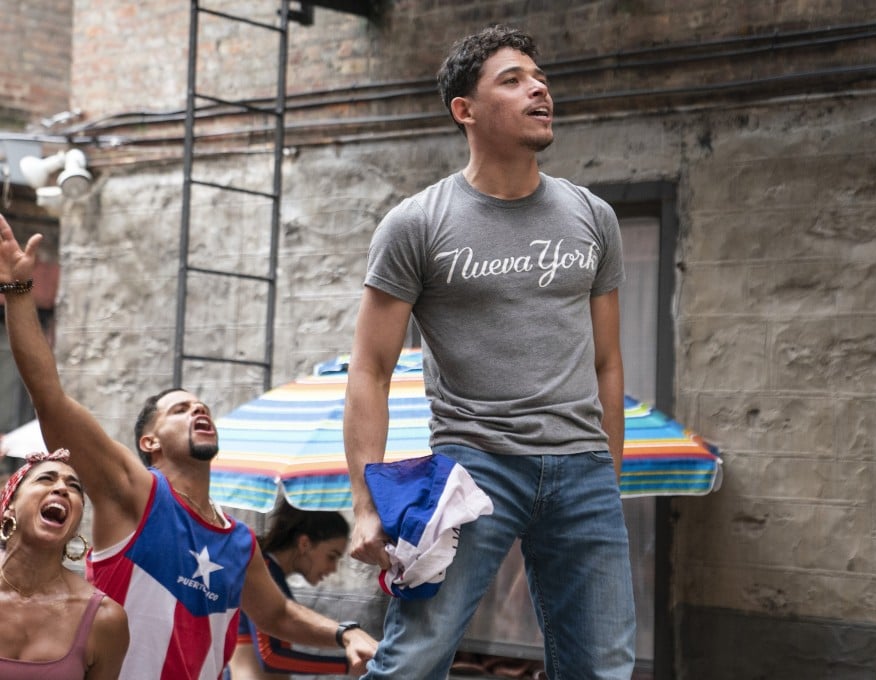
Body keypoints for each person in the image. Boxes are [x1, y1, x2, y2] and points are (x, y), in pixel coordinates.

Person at [343, 24, 637, 680]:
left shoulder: (593, 216)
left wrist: (606, 478)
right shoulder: (417, 224)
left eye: (541, 79)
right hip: (474, 468)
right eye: (513, 79)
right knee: (413, 661)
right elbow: (370, 369)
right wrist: (365, 503)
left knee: (603, 669)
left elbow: (608, 362)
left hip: (581, 469)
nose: (538, 88)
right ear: (465, 110)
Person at [0, 212, 378, 680]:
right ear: (149, 441)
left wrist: (345, 633)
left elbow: (278, 616)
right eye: (179, 409)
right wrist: (18, 293)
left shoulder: (239, 541)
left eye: (202, 407)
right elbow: (50, 399)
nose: (199, 411)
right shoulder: (134, 493)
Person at [0, 448, 129, 679]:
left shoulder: (105, 619)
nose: (61, 488)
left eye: (74, 487)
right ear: (9, 507)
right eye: (45, 478)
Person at [229, 500, 354, 679]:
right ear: (304, 544)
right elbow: (271, 656)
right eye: (331, 556)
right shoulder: (264, 571)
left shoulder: (273, 575)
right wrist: (348, 664)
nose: (333, 568)